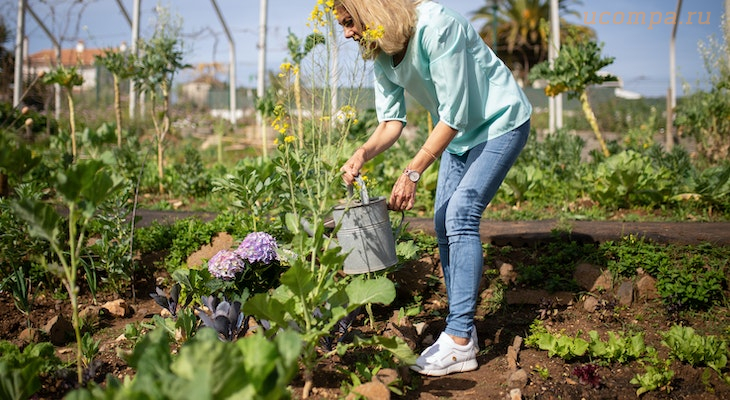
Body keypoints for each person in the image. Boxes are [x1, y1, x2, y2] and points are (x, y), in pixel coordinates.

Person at [336, 0, 532, 376]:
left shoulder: (437, 26)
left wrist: (413, 171)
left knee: (461, 214)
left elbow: (455, 113)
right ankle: (463, 331)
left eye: (349, 21)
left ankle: (458, 339)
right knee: (442, 221)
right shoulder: (381, 50)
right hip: (458, 138)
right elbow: (391, 121)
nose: (346, 33)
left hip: (499, 122)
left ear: (371, 10)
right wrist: (362, 153)